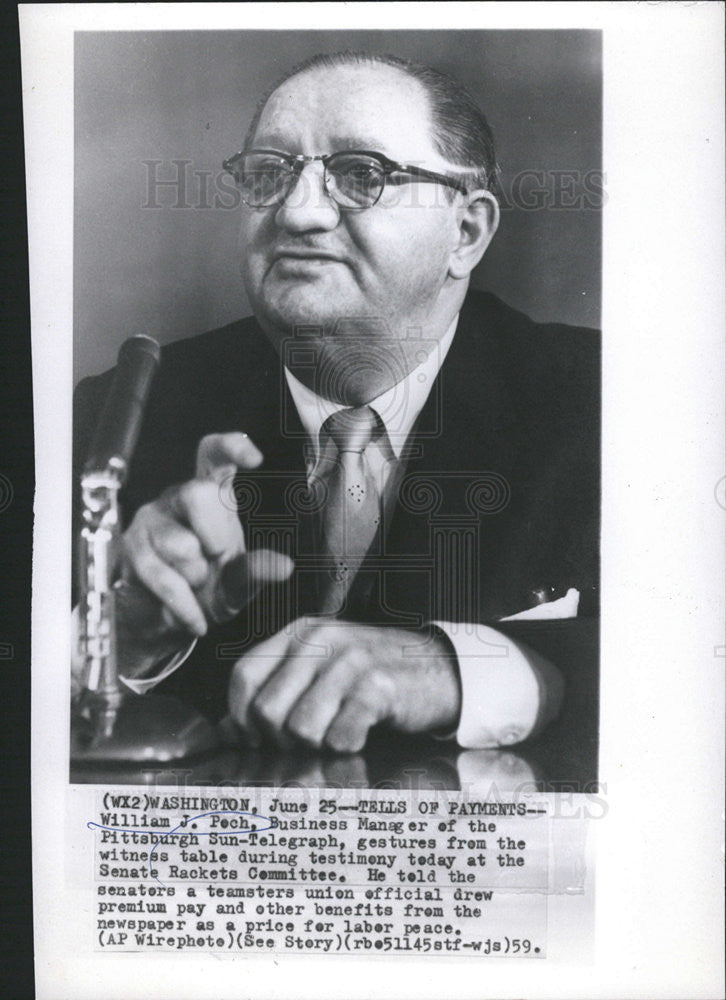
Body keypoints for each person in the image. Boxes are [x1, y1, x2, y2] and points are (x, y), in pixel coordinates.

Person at [72, 51, 600, 757]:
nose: (299, 211)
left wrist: (455, 670)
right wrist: (125, 635)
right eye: (268, 174)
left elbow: (687, 663)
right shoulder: (122, 414)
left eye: (362, 176)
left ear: (466, 233)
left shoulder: (603, 402)